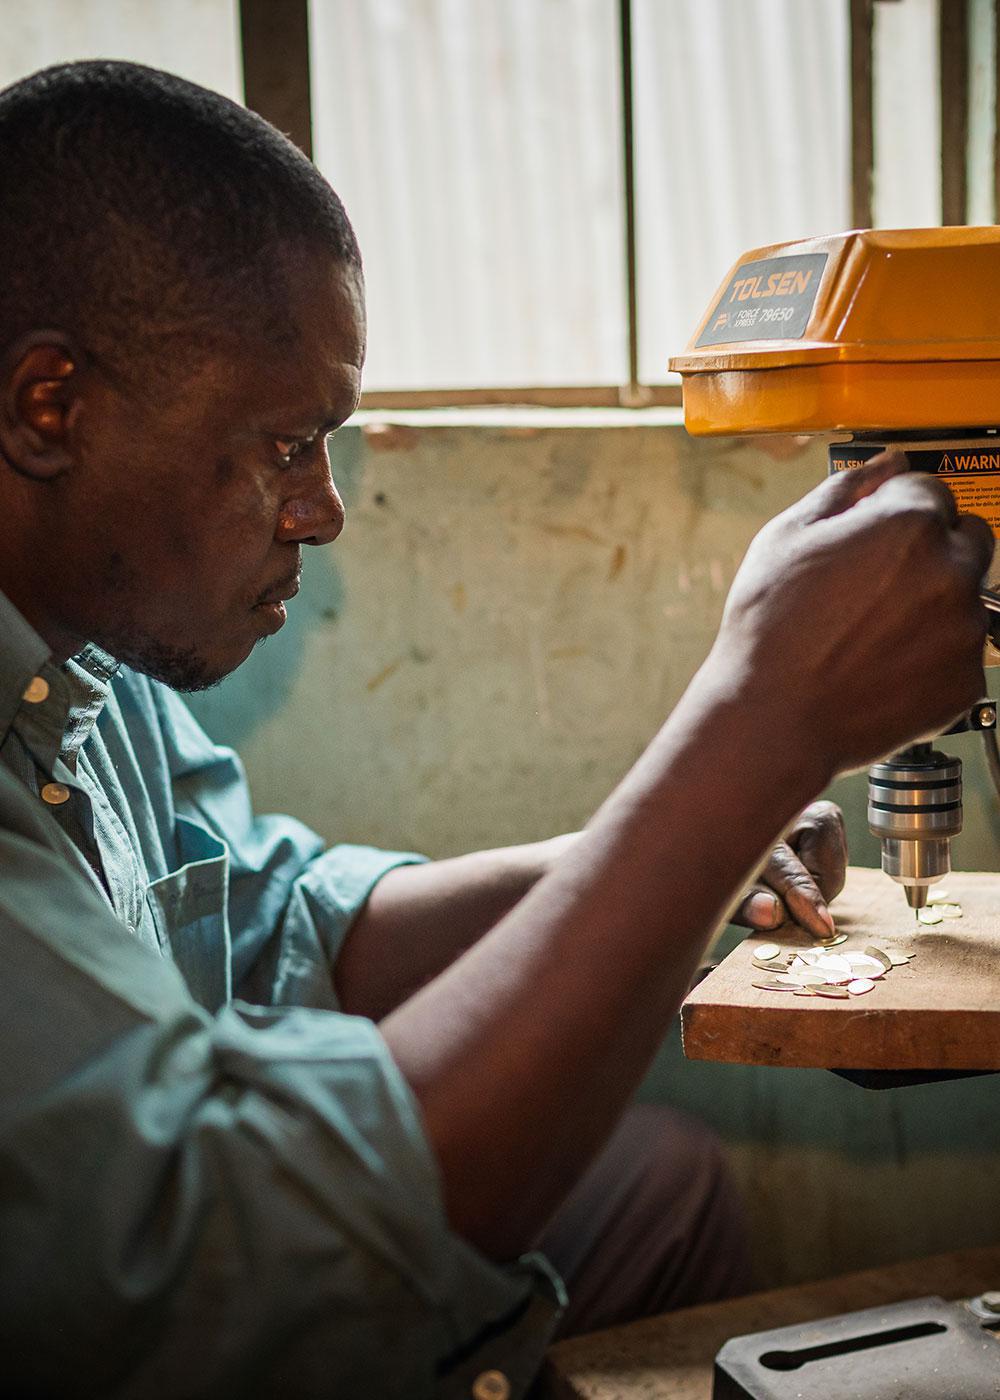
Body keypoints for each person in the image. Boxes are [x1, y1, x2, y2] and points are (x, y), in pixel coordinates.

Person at [0, 61, 990, 1400]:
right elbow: (245, 1245)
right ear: (49, 408)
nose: (325, 510)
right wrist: (757, 726)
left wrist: (705, 837)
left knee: (664, 1189)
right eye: (286, 444)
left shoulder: (90, 671)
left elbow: (283, 928)